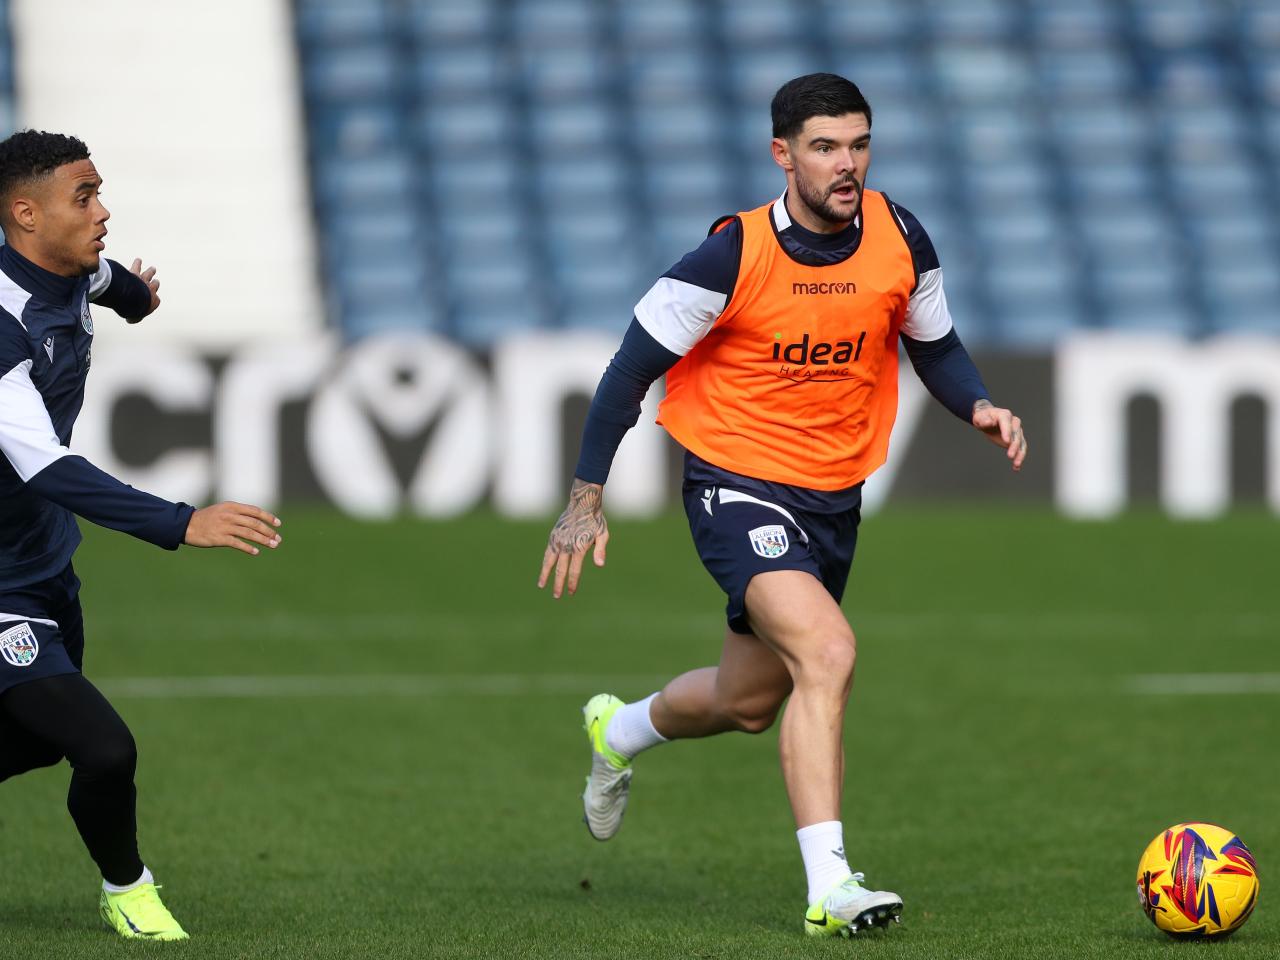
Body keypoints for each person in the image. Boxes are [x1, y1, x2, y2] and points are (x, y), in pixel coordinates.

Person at [538, 74, 1028, 939]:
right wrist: (585, 498)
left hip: (833, 497)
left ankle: (620, 731)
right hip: (734, 483)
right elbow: (626, 372)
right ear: (783, 154)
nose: (849, 165)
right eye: (826, 147)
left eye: (860, 144)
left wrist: (978, 403)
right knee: (829, 652)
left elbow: (937, 346)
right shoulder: (730, 254)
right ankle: (830, 887)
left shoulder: (901, 233)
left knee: (748, 700)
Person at [0, 130, 284, 942]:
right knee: (103, 747)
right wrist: (179, 521)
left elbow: (109, 282)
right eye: (83, 197)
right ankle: (129, 888)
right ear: (25, 214)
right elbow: (44, 467)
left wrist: (137, 297)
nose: (103, 211)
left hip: (44, 563)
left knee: (33, 740)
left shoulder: (73, 269)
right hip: (3, 580)